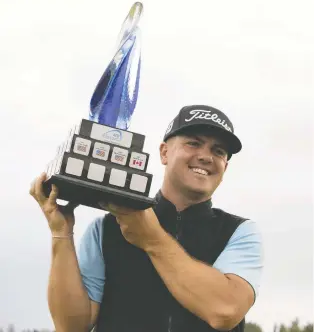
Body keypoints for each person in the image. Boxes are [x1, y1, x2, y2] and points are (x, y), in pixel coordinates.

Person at [30, 104, 264, 332]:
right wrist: (61, 233)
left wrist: (151, 239)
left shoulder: (241, 232)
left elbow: (224, 310)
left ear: (225, 166)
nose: (206, 157)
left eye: (218, 151)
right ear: (164, 152)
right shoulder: (105, 229)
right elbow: (71, 327)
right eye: (194, 143)